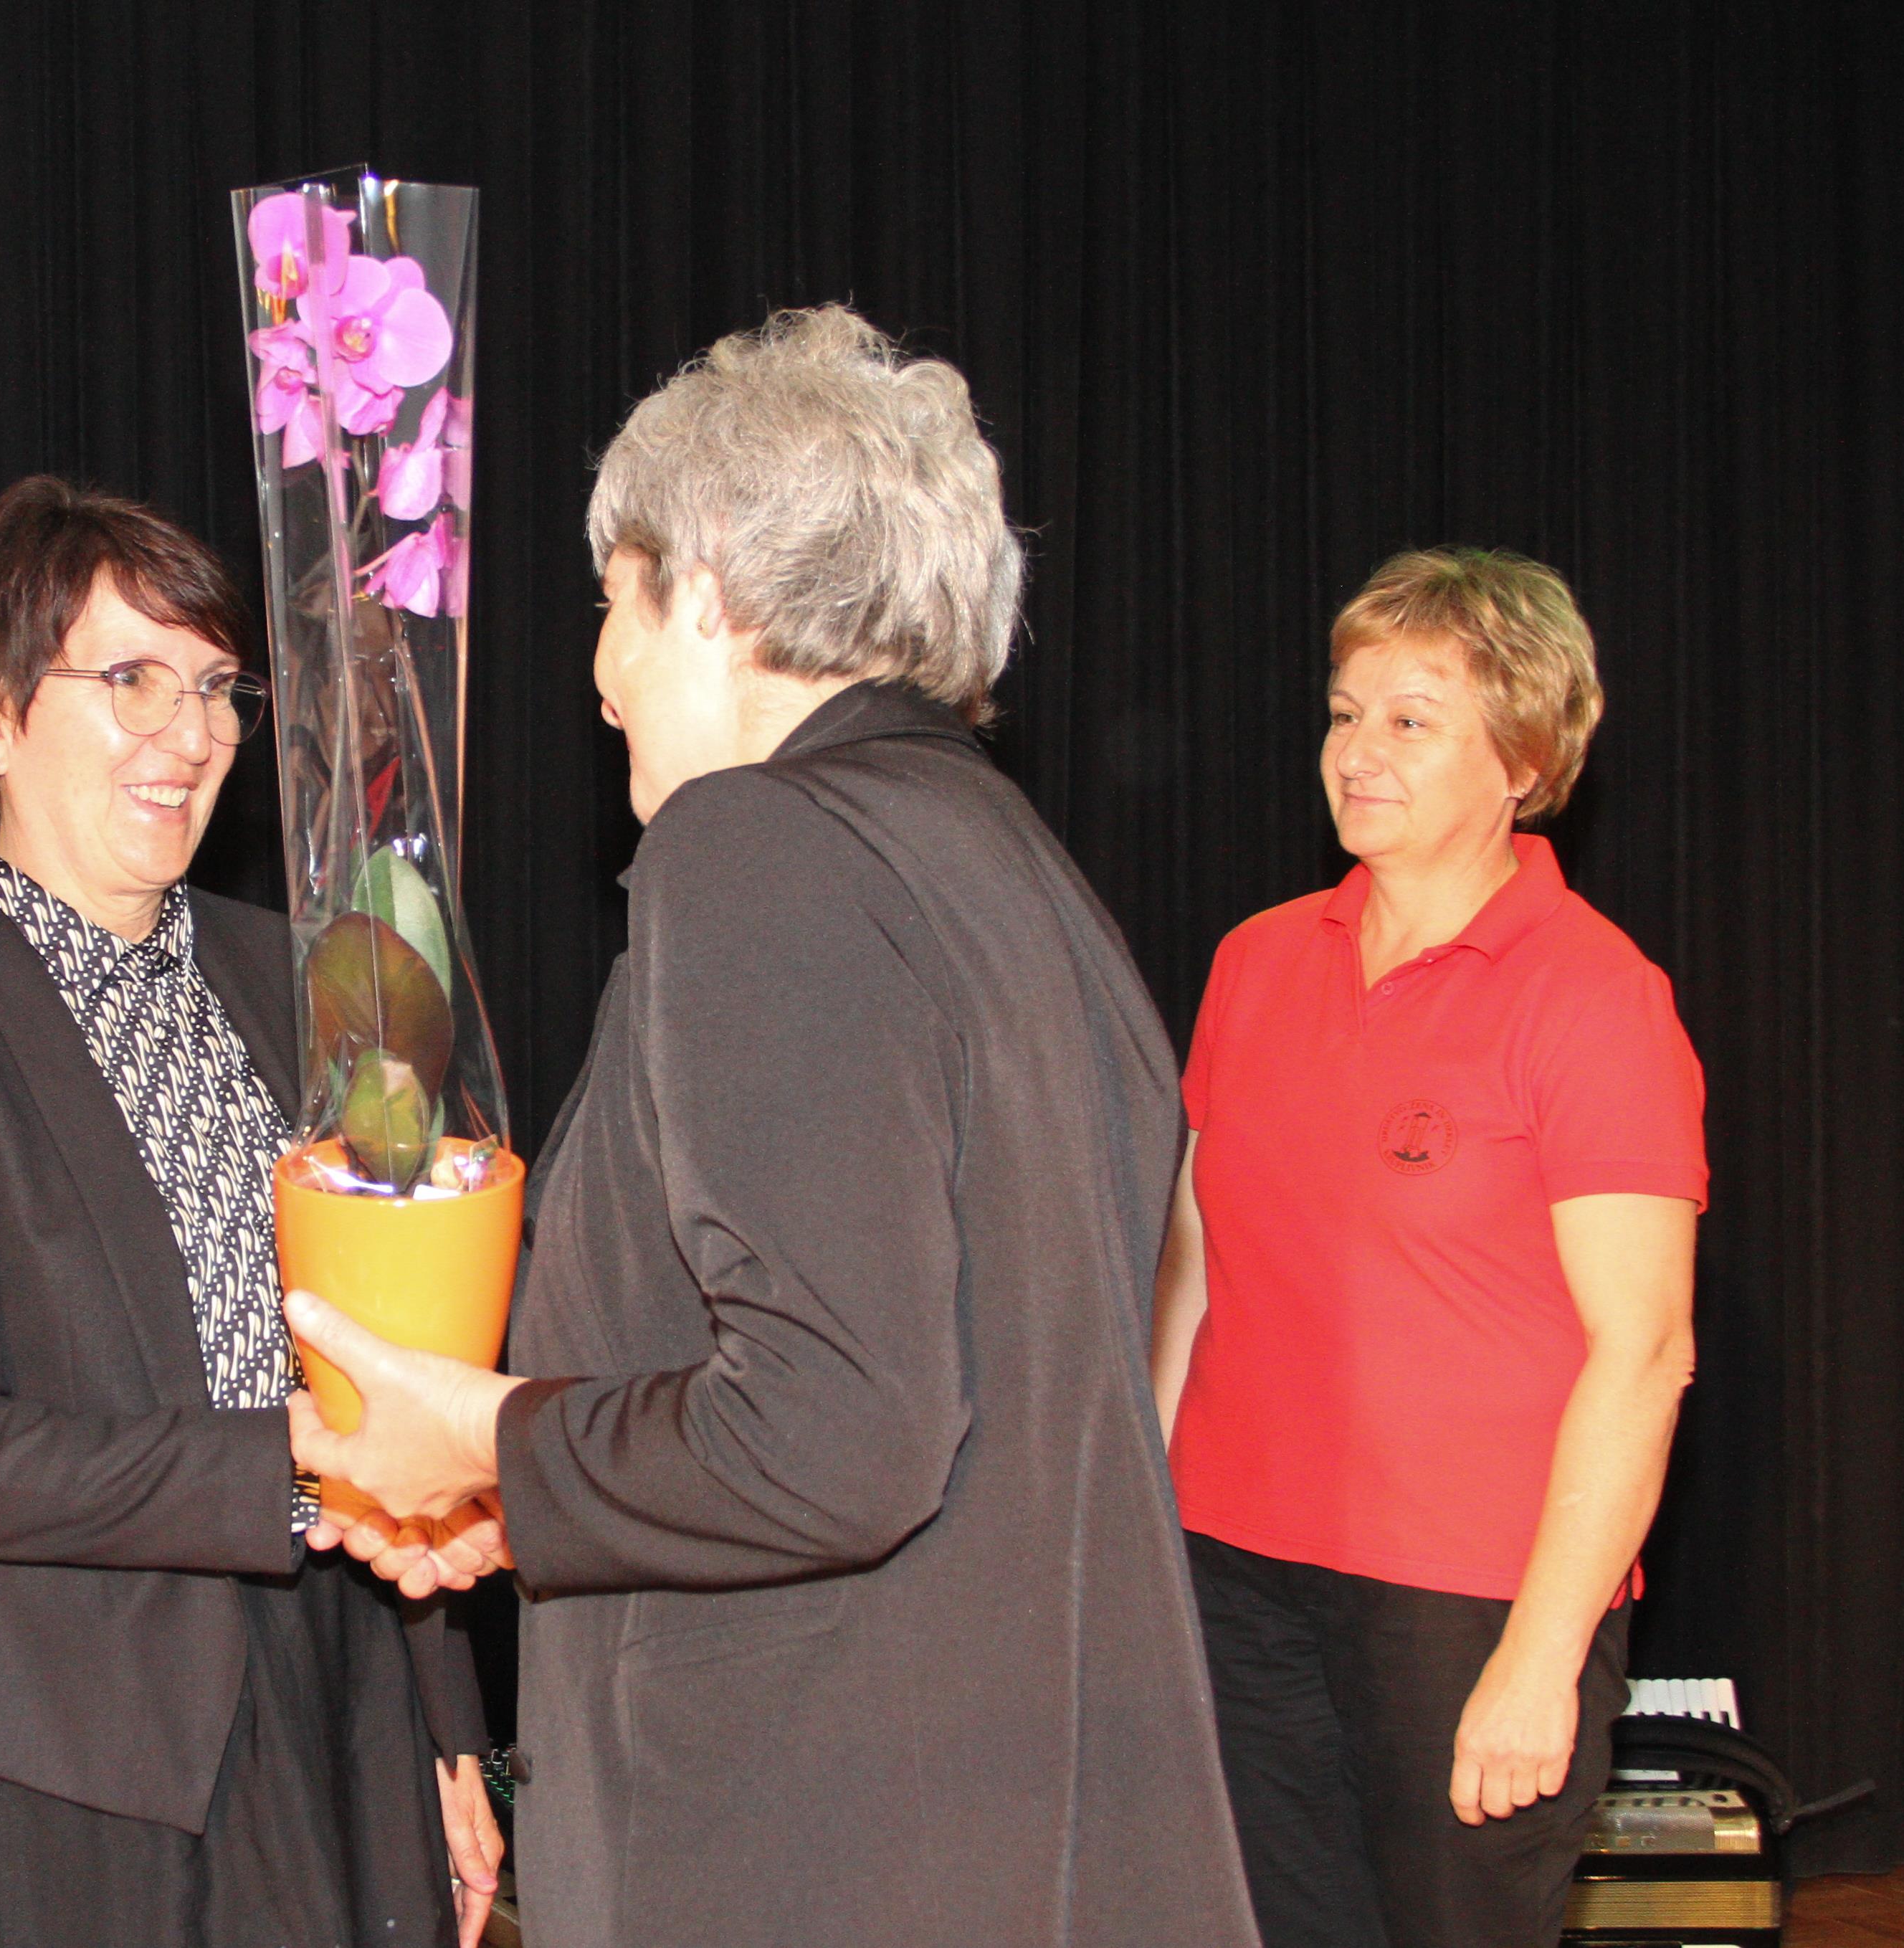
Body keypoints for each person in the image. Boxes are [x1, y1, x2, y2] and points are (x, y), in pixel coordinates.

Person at [282, 308, 1261, 1948]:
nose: (600, 679)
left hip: (817, 1841)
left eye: (614, 602)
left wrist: (483, 1436)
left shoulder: (760, 848)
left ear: (714, 587)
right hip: (1011, 1833)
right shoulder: (1018, 873)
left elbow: (836, 1437)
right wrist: (534, 1498)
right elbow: (937, 1404)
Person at [0, 477, 501, 1948]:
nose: (192, 735)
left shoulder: (302, 975)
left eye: (218, 689)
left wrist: (447, 1730)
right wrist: (291, 1465)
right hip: (47, 1746)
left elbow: (389, 1363)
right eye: (134, 682)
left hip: (331, 1698)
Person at [1151, 548, 1707, 1947]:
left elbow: (1643, 1355)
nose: (1357, 752)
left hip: (1469, 1600)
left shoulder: (1595, 997)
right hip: (1234, 1572)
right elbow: (1192, 1267)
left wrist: (1542, 1655)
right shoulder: (1254, 960)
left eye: (1411, 719)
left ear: (1522, 759)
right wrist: (1146, 1527)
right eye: (1346, 713)